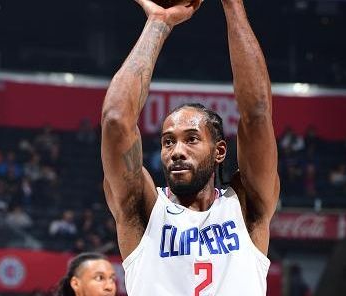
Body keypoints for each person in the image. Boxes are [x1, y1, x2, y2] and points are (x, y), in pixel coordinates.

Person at [101, 0, 279, 295]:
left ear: (220, 151)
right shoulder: (142, 210)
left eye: (191, 139)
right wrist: (158, 23)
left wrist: (232, 4)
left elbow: (257, 113)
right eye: (168, 141)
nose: (177, 150)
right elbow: (116, 119)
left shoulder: (247, 207)